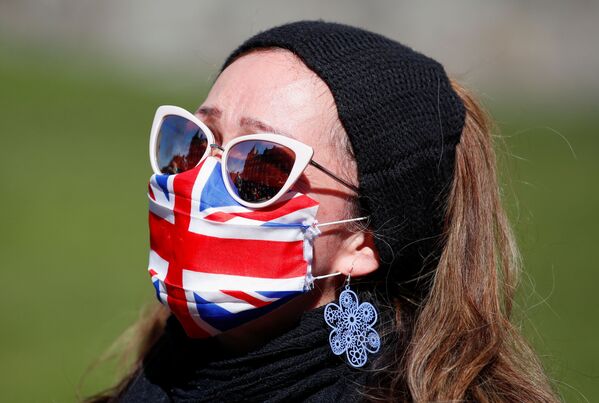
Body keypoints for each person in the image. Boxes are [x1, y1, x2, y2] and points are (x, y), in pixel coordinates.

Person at [86, 20, 560, 402]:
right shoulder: (154, 376)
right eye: (193, 140)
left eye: (261, 164)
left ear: (364, 239)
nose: (196, 182)